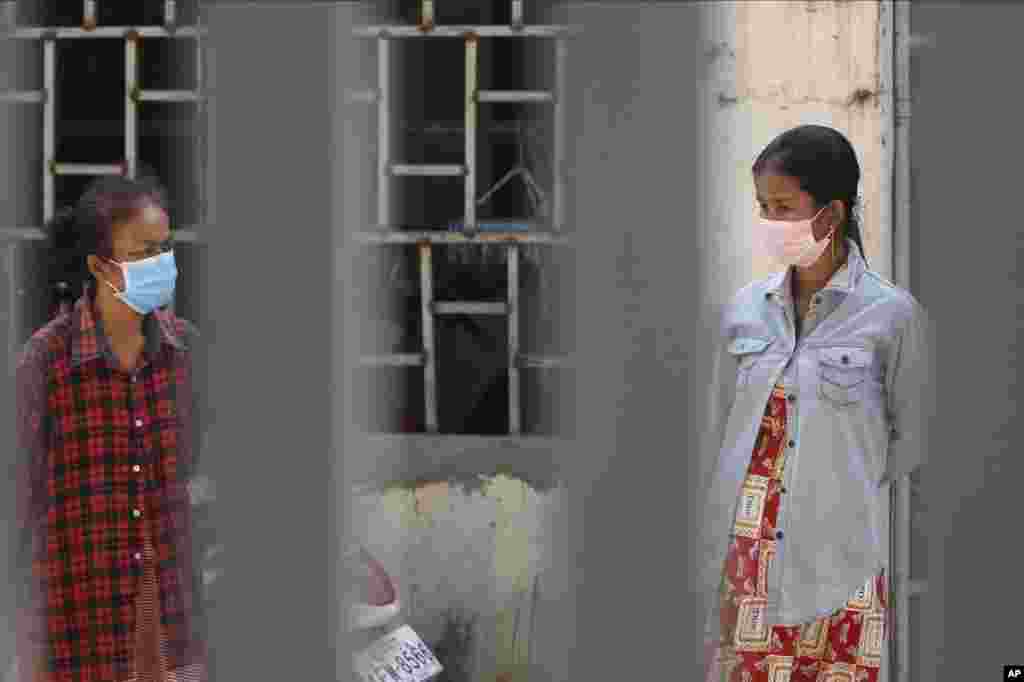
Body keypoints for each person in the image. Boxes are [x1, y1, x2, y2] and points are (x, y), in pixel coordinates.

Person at [698, 125, 933, 681]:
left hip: (841, 568)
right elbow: (715, 432)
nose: (769, 222)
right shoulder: (742, 312)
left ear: (831, 214)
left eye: (783, 207)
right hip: (743, 573)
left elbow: (913, 439)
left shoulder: (893, 318)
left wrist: (836, 486)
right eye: (763, 207)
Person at [11, 175, 217, 682]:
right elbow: (17, 498)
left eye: (166, 248)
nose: (163, 264)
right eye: (146, 251)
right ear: (101, 266)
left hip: (171, 619)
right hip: (77, 627)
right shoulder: (46, 361)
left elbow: (196, 466)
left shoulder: (186, 353)